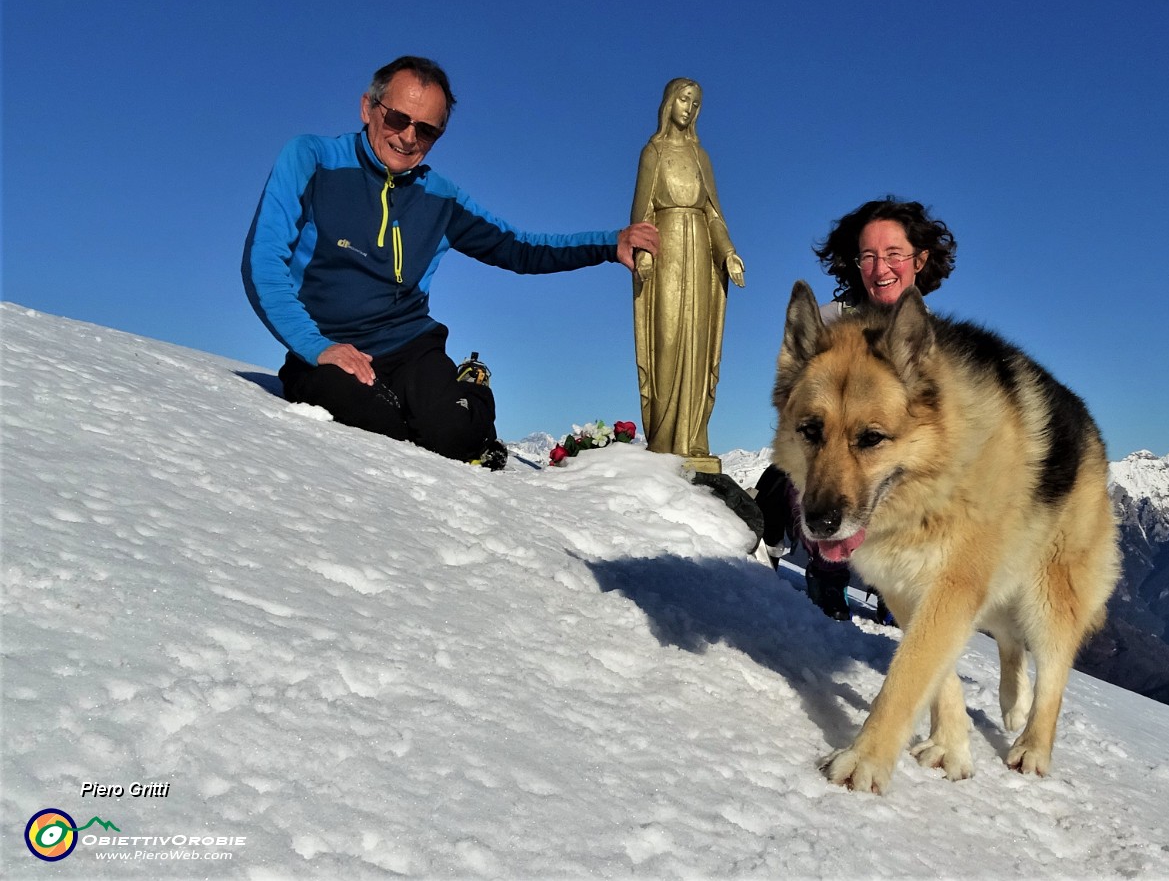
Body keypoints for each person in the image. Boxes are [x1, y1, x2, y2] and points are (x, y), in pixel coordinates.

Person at [243, 56, 658, 468]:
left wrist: (609, 243)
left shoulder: (442, 199)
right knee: (370, 422)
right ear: (368, 107)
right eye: (397, 119)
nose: (408, 137)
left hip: (411, 349)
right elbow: (263, 264)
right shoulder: (312, 159)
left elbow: (521, 248)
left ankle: (471, 385)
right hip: (329, 348)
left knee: (456, 435)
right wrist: (318, 347)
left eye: (426, 130)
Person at [761, 197, 957, 619]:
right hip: (829, 442)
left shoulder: (930, 334)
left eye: (893, 255)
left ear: (919, 260)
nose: (880, 269)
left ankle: (899, 588)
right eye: (867, 257)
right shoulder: (831, 320)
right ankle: (825, 574)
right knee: (796, 478)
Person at [630, 78, 744, 471]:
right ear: (668, 102)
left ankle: (693, 439)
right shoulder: (654, 152)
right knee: (667, 342)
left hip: (699, 258)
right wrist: (643, 254)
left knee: (696, 346)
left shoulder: (701, 156)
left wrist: (727, 252)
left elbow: (713, 214)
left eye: (696, 103)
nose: (689, 108)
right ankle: (663, 440)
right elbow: (641, 214)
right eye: (683, 99)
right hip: (666, 256)